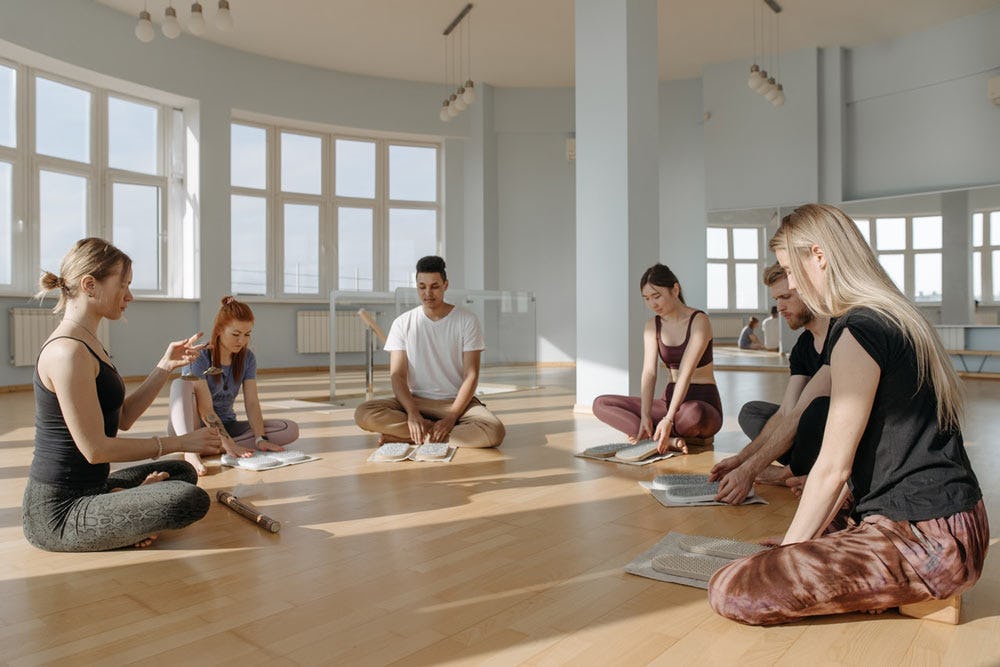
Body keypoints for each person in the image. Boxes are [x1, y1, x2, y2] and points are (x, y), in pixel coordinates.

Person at [709, 204, 988, 625]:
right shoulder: (890, 316)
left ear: (818, 256)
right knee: (772, 556)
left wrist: (791, 553)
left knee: (732, 588)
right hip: (946, 523)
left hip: (929, 540)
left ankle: (905, 585)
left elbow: (833, 469)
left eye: (789, 267)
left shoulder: (858, 329)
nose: (792, 283)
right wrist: (799, 539)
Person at [22, 238, 224, 552]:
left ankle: (119, 506)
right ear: (90, 285)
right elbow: (96, 450)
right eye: (123, 285)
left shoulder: (88, 342)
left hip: (94, 489)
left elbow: (124, 419)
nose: (129, 296)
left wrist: (164, 366)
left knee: (182, 471)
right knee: (189, 500)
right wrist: (182, 442)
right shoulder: (67, 352)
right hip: (58, 513)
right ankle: (120, 512)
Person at [710, 263, 831, 504]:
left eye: (786, 297)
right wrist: (741, 460)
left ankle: (789, 473)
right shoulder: (803, 346)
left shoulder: (841, 332)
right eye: (777, 299)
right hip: (809, 434)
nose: (780, 307)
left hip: (843, 435)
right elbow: (786, 410)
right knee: (752, 412)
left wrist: (749, 470)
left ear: (811, 290)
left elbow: (797, 415)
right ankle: (804, 469)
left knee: (814, 411)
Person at [354, 255, 505, 448]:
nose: (428, 293)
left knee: (494, 431)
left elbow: (471, 374)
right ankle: (434, 433)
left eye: (434, 286)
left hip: (457, 403)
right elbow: (398, 376)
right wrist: (412, 413)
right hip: (416, 401)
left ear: (445, 285)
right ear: (416, 286)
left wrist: (451, 417)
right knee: (363, 413)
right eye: (422, 286)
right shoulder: (402, 323)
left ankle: (411, 437)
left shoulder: (467, 320)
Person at [592, 264, 723, 454]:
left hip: (701, 402)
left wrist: (668, 418)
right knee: (601, 404)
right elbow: (649, 373)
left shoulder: (699, 320)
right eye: (646, 298)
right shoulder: (652, 325)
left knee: (695, 414)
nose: (652, 304)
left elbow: (686, 372)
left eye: (657, 296)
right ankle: (664, 437)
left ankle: (658, 432)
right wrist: (645, 415)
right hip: (668, 401)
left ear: (675, 290)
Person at [168, 296, 300, 475]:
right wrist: (229, 443)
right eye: (236, 334)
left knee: (289, 429)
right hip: (194, 427)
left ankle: (212, 447)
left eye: (247, 335)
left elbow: (252, 402)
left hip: (226, 425)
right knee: (180, 384)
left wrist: (261, 438)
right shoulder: (200, 357)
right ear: (220, 330)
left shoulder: (248, 358)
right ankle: (190, 450)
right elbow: (205, 409)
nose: (242, 341)